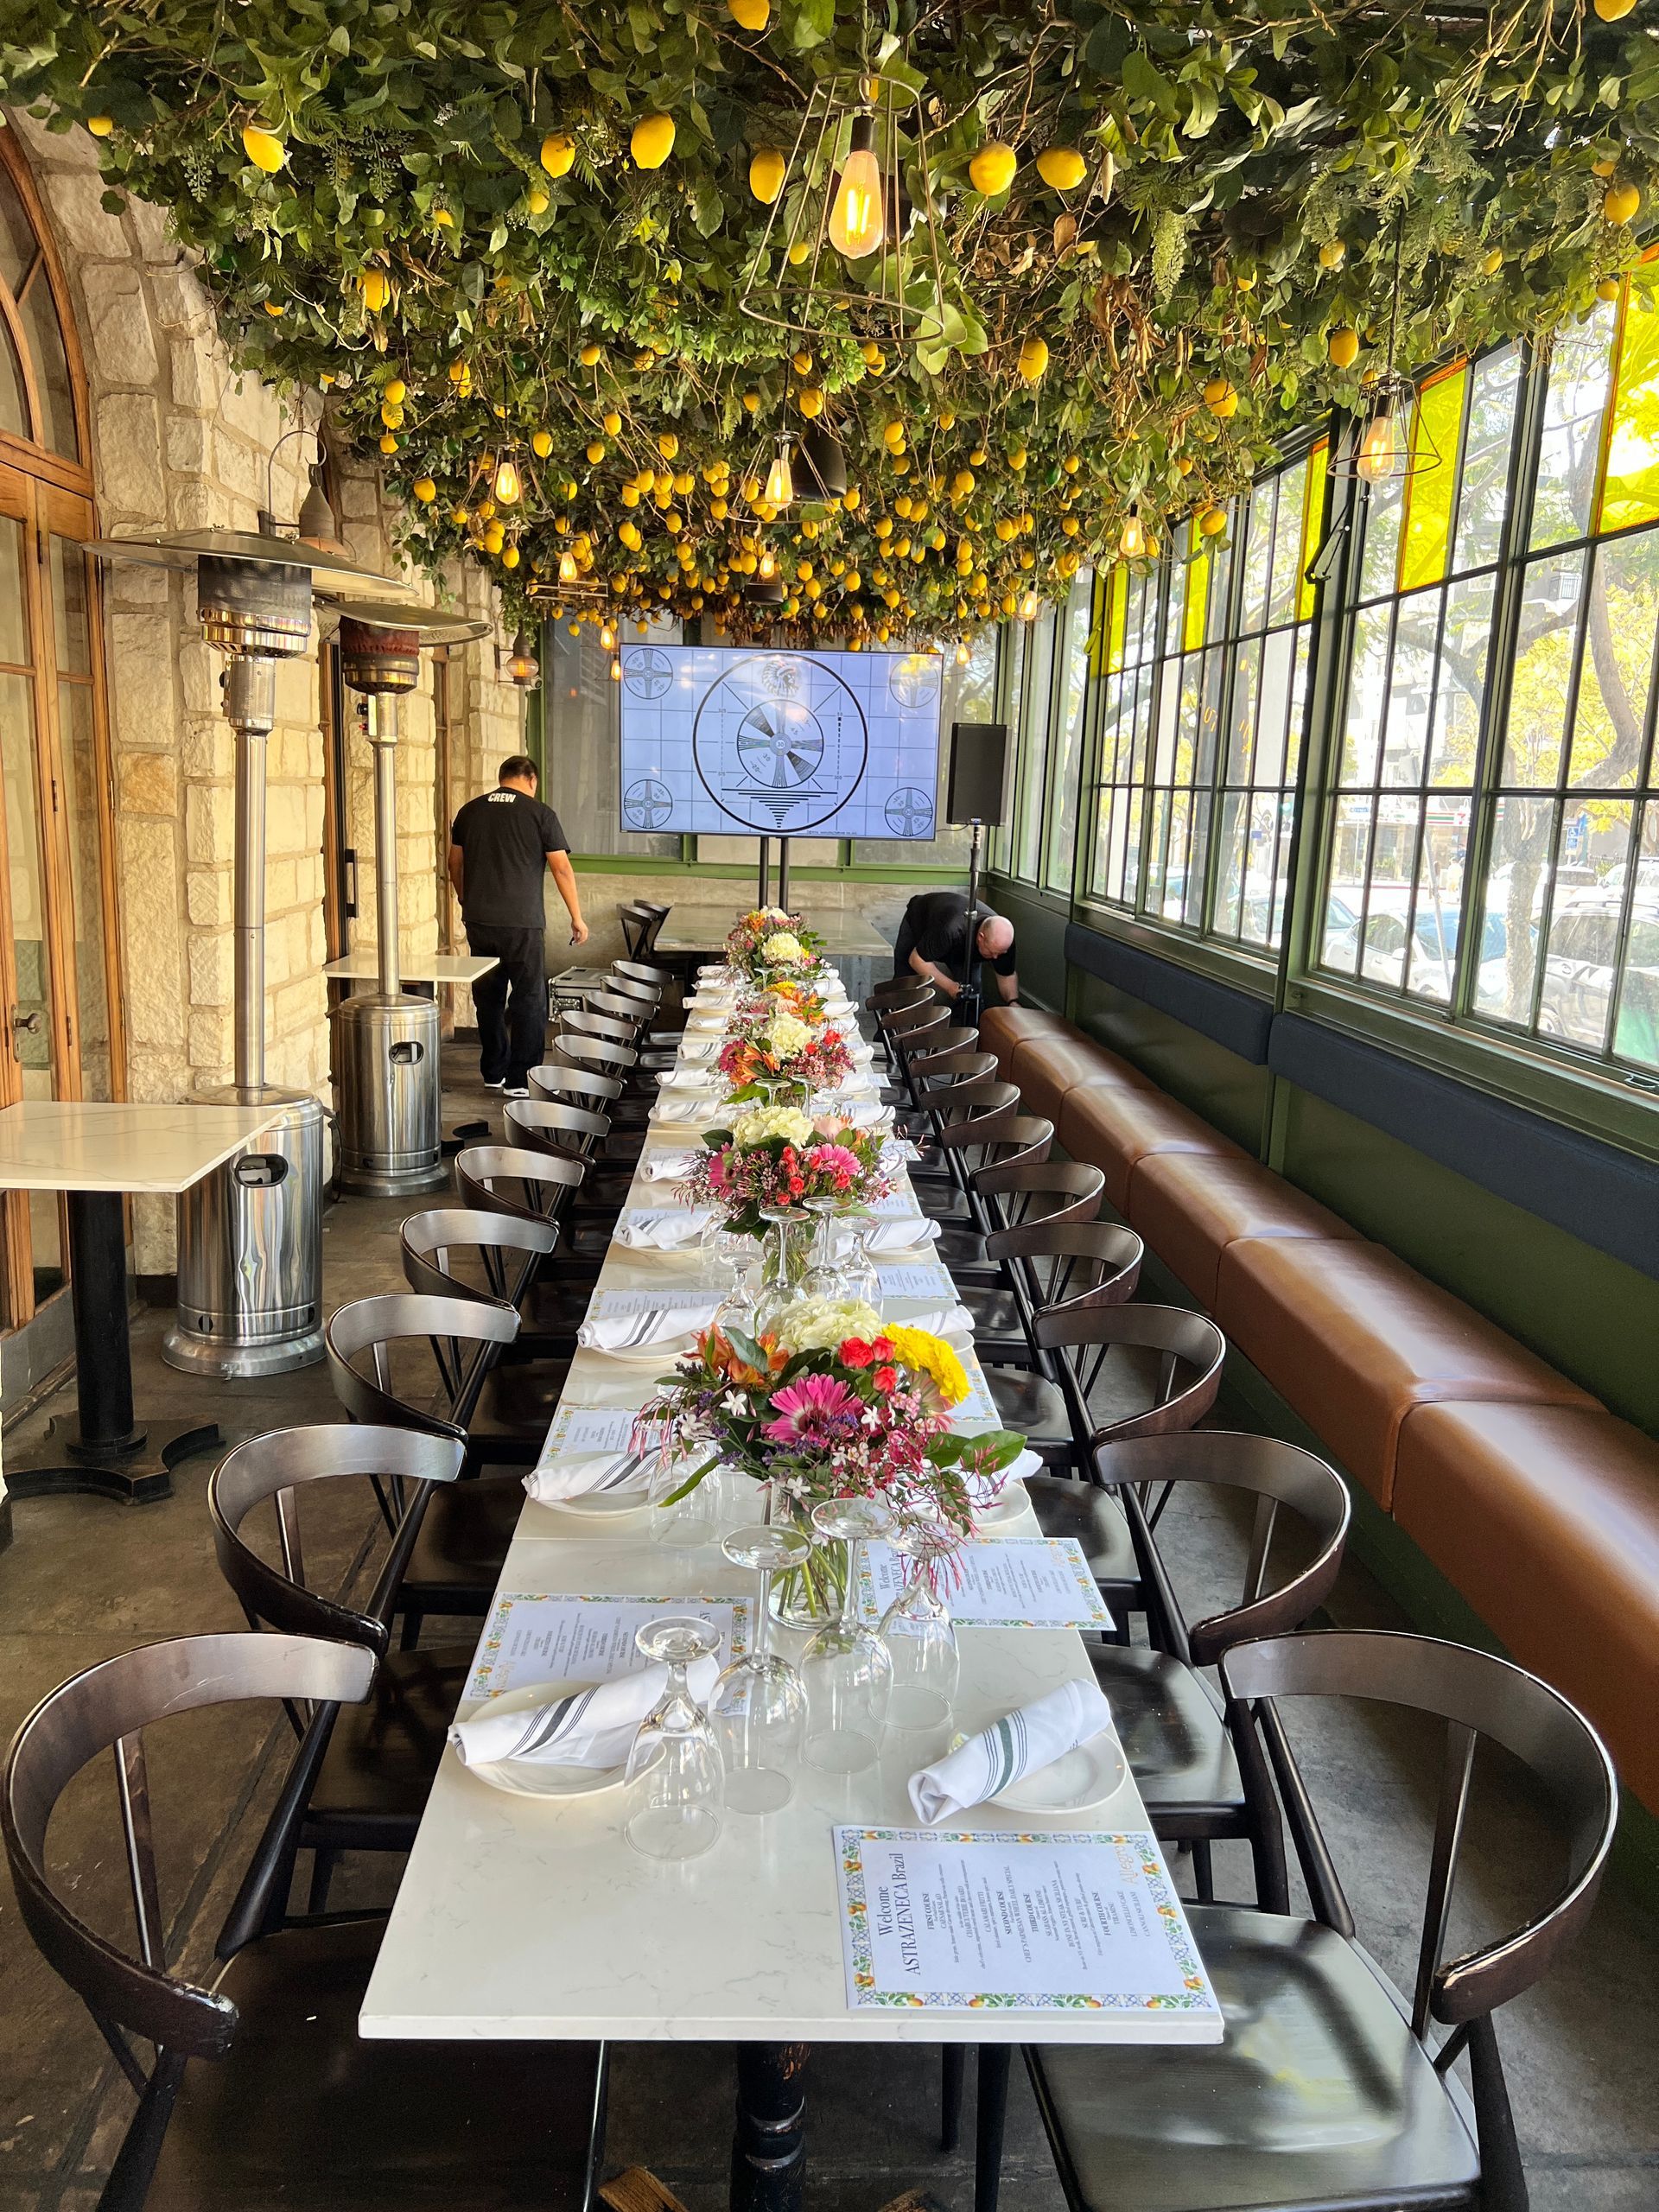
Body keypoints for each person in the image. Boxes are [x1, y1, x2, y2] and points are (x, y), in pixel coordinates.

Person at [448, 754, 588, 1098]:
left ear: (501, 778)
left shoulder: (469, 811)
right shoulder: (540, 814)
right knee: (529, 998)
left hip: (480, 921)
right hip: (522, 924)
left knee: (488, 997)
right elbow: (561, 868)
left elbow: (454, 863)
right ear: (532, 780)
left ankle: (493, 1071)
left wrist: (465, 898)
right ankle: (521, 1080)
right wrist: (576, 916)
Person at [891, 889, 1018, 1005]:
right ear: (981, 937)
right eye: (991, 952)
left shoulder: (1003, 941)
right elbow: (917, 960)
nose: (995, 957)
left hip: (958, 945)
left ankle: (969, 1021)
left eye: (1000, 953)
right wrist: (950, 986)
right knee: (904, 980)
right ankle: (892, 1017)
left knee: (972, 992)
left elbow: (1006, 975)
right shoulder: (951, 929)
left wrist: (1012, 1002)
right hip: (920, 920)